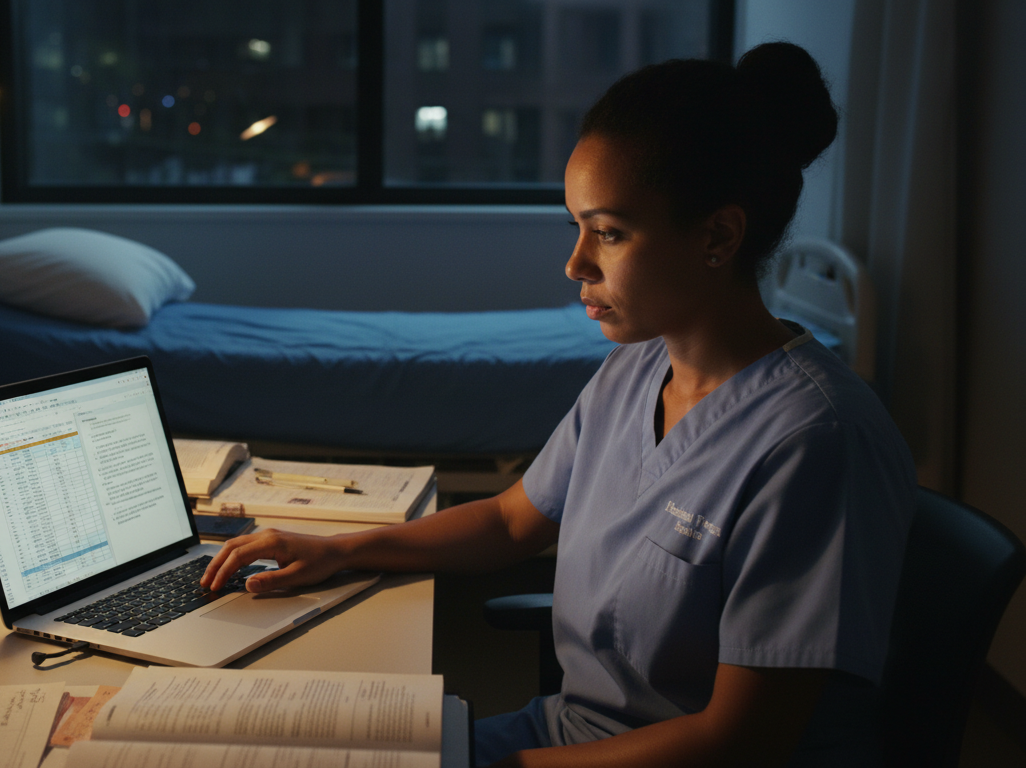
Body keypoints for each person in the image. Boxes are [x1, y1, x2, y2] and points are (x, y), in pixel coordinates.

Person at [201, 42, 915, 767]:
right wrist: (336, 551)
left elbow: (739, 740)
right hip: (568, 735)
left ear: (718, 236)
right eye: (575, 227)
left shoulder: (814, 441)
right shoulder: (635, 370)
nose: (575, 263)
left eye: (609, 232)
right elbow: (512, 520)